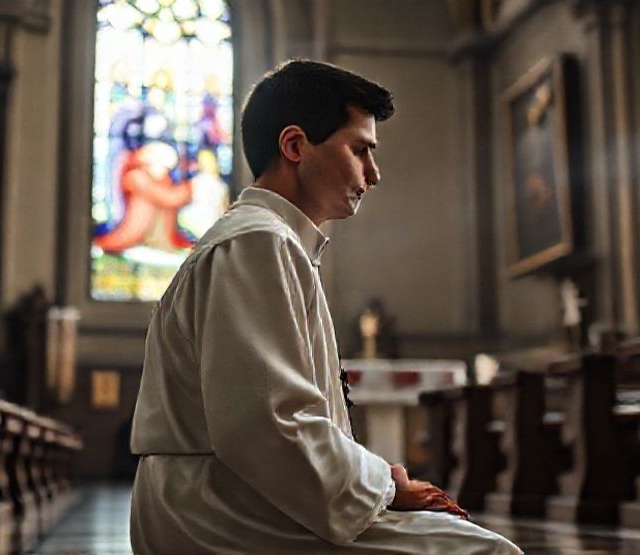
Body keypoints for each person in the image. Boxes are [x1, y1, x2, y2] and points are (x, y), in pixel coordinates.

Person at [128, 60, 522, 554]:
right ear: (295, 145)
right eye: (360, 150)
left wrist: (376, 483)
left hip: (228, 497)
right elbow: (267, 426)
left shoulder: (272, 241)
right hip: (223, 510)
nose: (373, 174)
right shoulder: (257, 242)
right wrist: (385, 485)